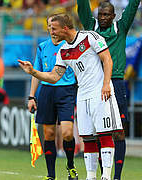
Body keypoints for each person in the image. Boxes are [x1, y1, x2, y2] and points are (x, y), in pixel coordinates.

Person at [18, 14, 123, 180]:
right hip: (82, 95)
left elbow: (107, 60)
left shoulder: (90, 37)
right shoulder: (63, 51)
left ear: (64, 28)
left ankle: (107, 177)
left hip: (100, 91)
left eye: (53, 28)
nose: (50, 31)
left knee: (104, 134)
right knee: (87, 137)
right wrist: (34, 72)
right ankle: (90, 176)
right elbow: (54, 77)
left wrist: (106, 84)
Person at [77, 1, 141, 179]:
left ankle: (117, 176)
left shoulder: (121, 27)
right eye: (100, 14)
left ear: (113, 16)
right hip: (96, 85)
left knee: (119, 131)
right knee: (98, 132)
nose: (103, 18)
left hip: (117, 83)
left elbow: (133, 6)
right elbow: (82, 6)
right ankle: (102, 173)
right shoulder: (91, 27)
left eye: (107, 15)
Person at [27, 15, 78, 180]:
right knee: (48, 134)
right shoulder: (43, 47)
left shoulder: (69, 45)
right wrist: (31, 96)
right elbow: (36, 72)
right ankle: (51, 175)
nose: (51, 29)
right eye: (48, 26)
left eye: (53, 26)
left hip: (66, 91)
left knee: (67, 133)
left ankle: (70, 166)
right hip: (46, 92)